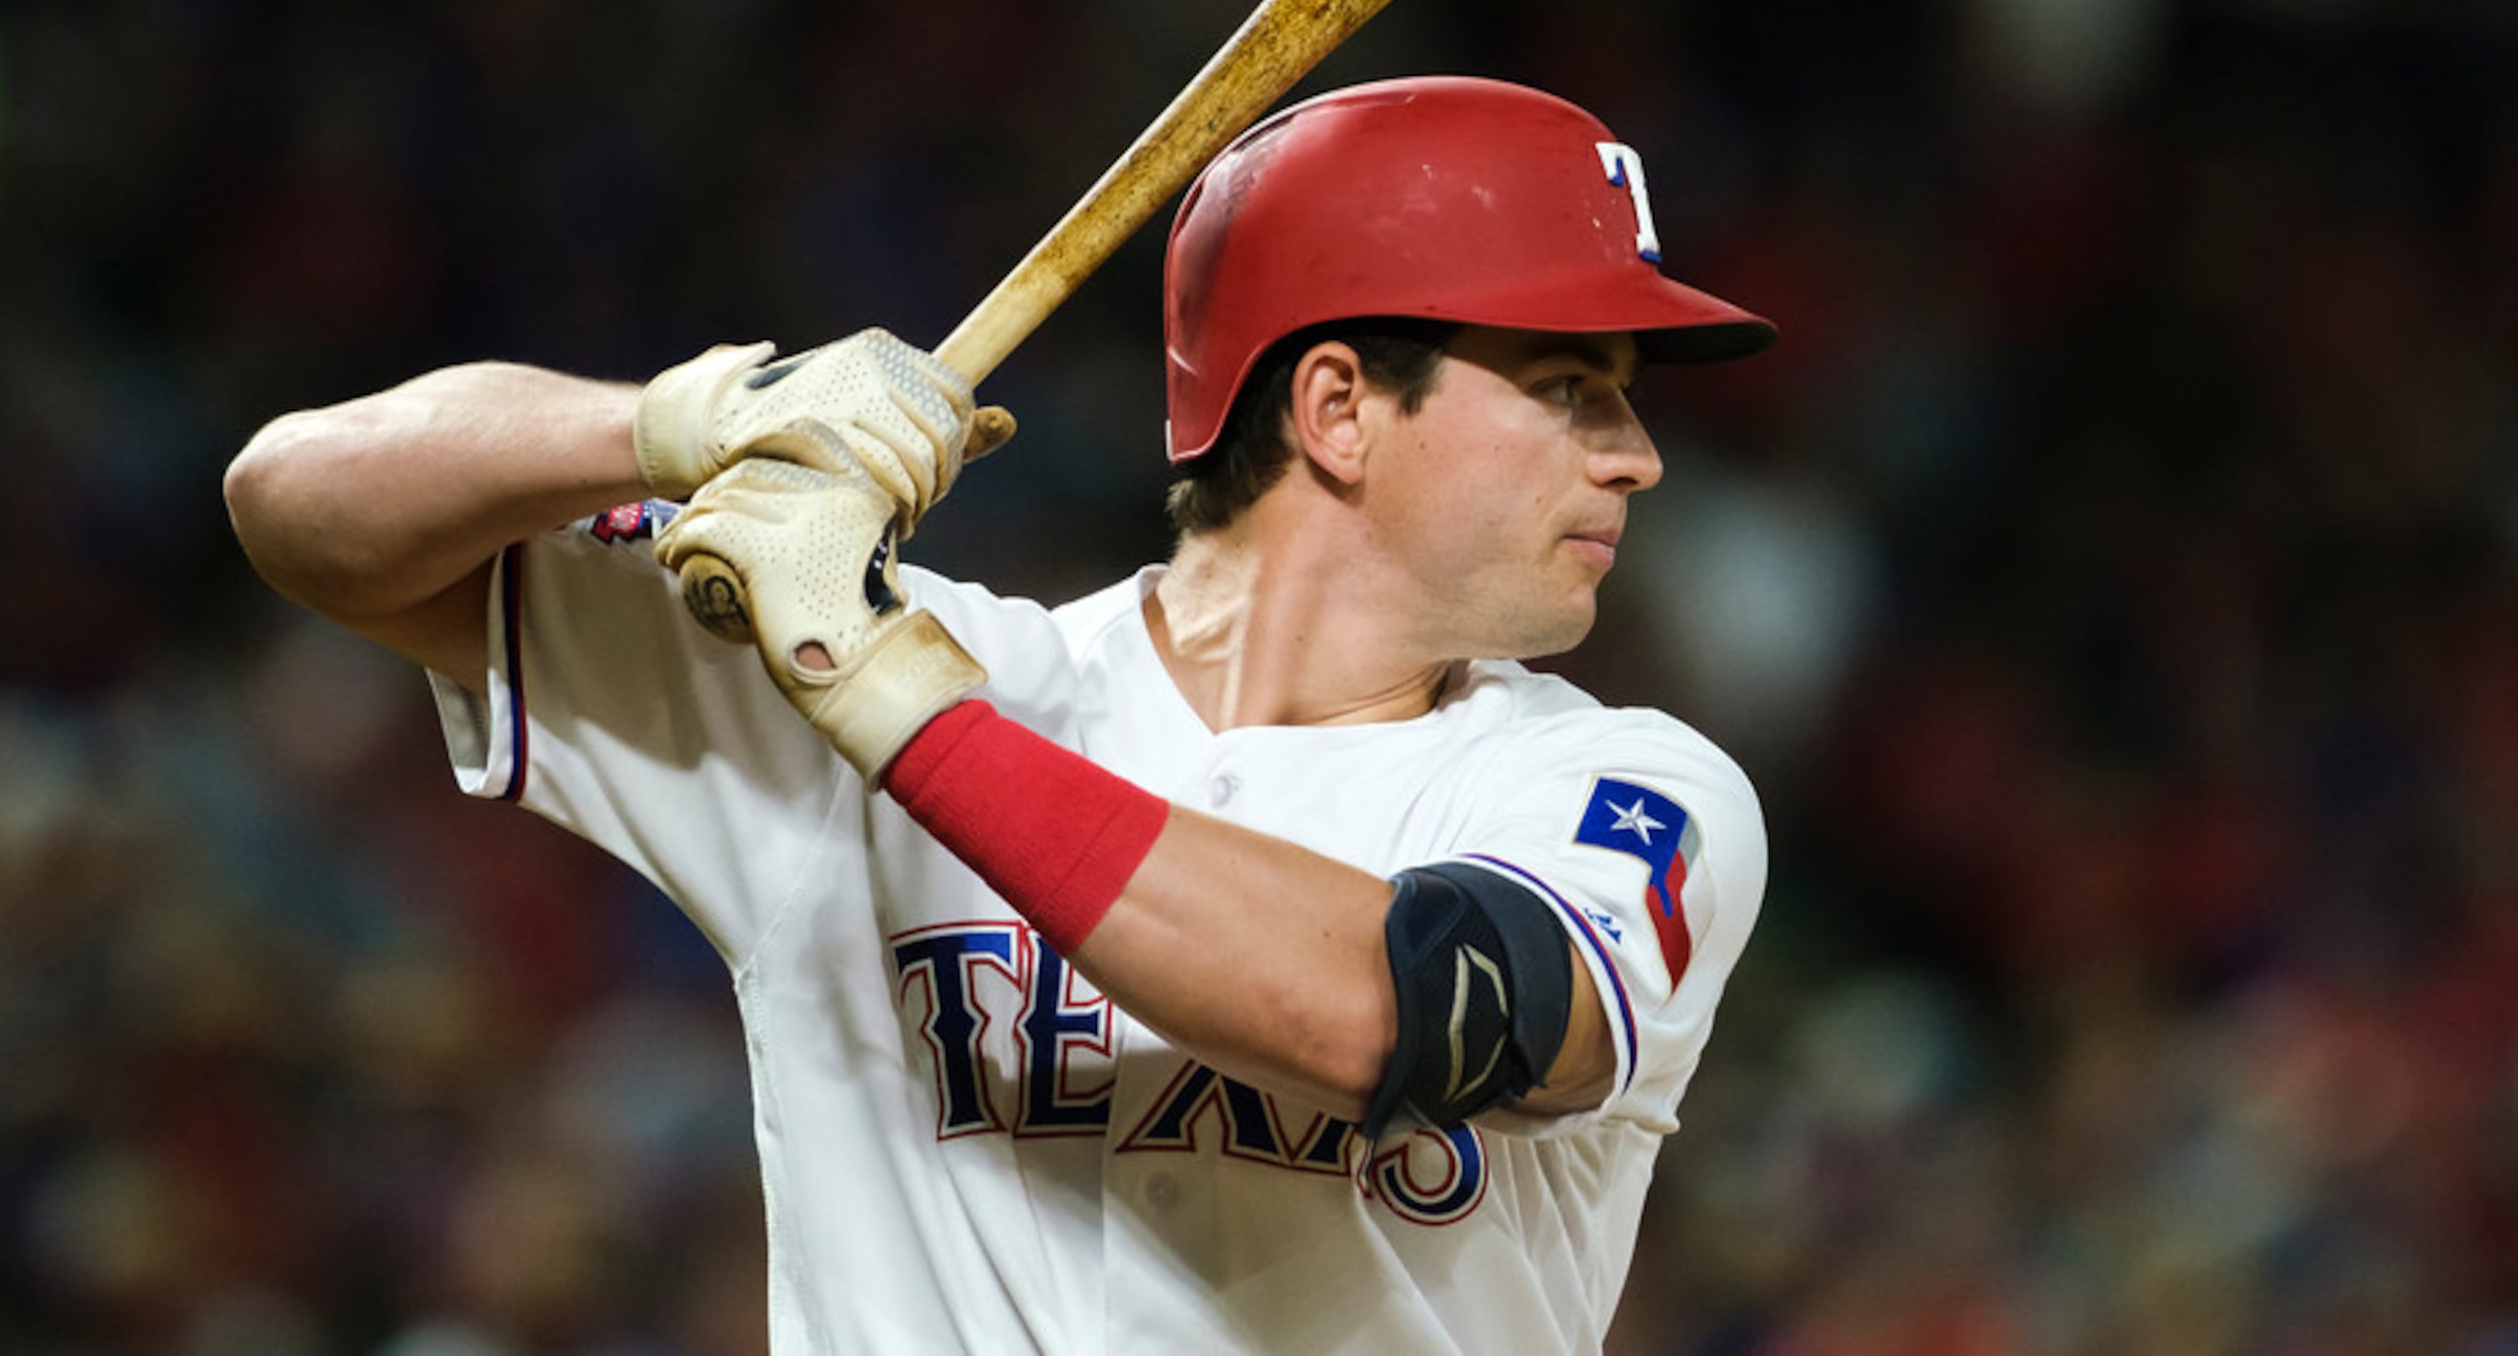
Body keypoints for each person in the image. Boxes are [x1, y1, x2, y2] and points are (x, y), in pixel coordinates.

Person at [224, 74, 1778, 1353]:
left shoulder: (1622, 785)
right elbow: (298, 505)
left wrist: (894, 703)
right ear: (1339, 407)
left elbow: (1407, 1010)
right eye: (1573, 382)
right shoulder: (884, 648)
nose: (1634, 451)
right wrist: (677, 426)